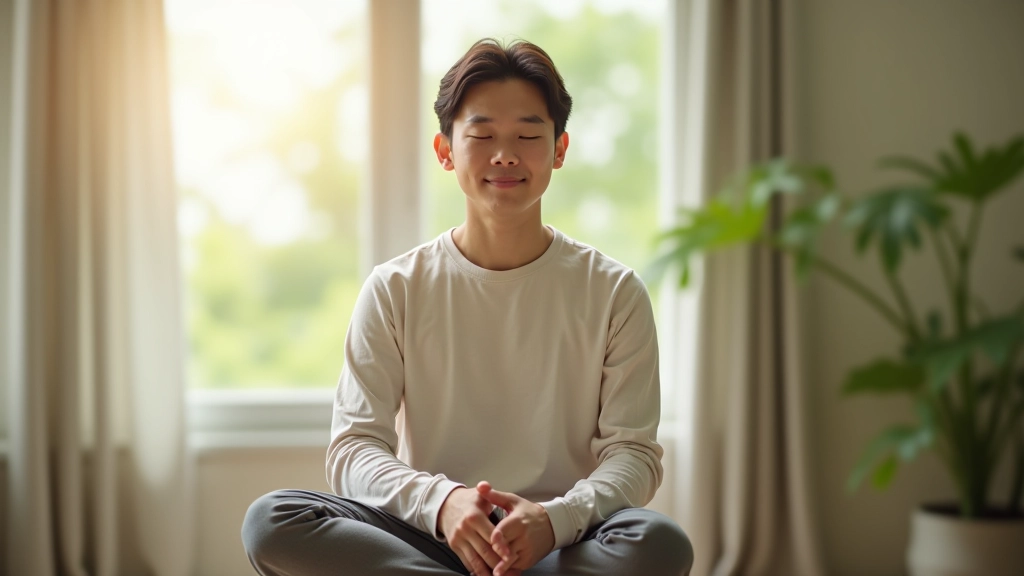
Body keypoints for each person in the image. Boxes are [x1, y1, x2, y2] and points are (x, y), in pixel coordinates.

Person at [241, 38, 693, 576]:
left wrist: (553, 520)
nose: (505, 154)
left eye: (528, 135)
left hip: (558, 544)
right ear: (445, 150)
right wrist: (443, 503)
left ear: (559, 149)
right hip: (429, 538)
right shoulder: (395, 288)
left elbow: (634, 455)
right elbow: (355, 449)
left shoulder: (615, 291)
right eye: (482, 135)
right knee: (274, 520)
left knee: (657, 541)